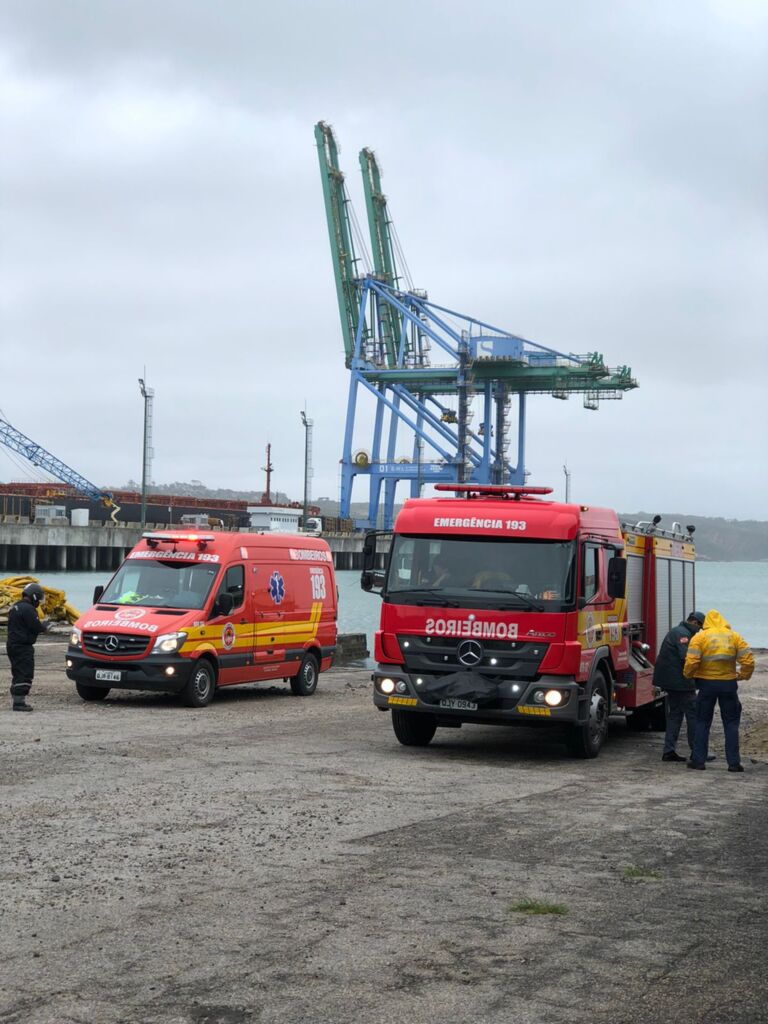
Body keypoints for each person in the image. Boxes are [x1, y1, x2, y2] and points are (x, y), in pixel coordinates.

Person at [684, 609, 755, 772]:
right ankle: (734, 763)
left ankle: (698, 761)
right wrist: (742, 676)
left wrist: (689, 675)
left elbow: (692, 661)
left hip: (706, 685)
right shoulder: (734, 636)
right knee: (731, 724)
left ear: (707, 622)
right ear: (722, 620)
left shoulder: (700, 637)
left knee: (702, 722)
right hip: (728, 685)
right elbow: (748, 661)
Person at [654, 611, 706, 762]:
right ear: (695, 623)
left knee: (675, 715)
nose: (700, 631)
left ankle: (669, 751)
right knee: (694, 714)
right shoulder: (683, 634)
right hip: (679, 683)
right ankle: (697, 752)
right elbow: (687, 658)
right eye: (700, 627)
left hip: (672, 682)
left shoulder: (679, 631)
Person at [6, 582, 49, 712]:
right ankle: (19, 702)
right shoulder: (29, 609)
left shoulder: (16, 607)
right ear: (34, 596)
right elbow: (35, 626)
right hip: (22, 646)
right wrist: (45, 626)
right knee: (25, 672)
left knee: (17, 671)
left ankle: (16, 697)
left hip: (12, 645)